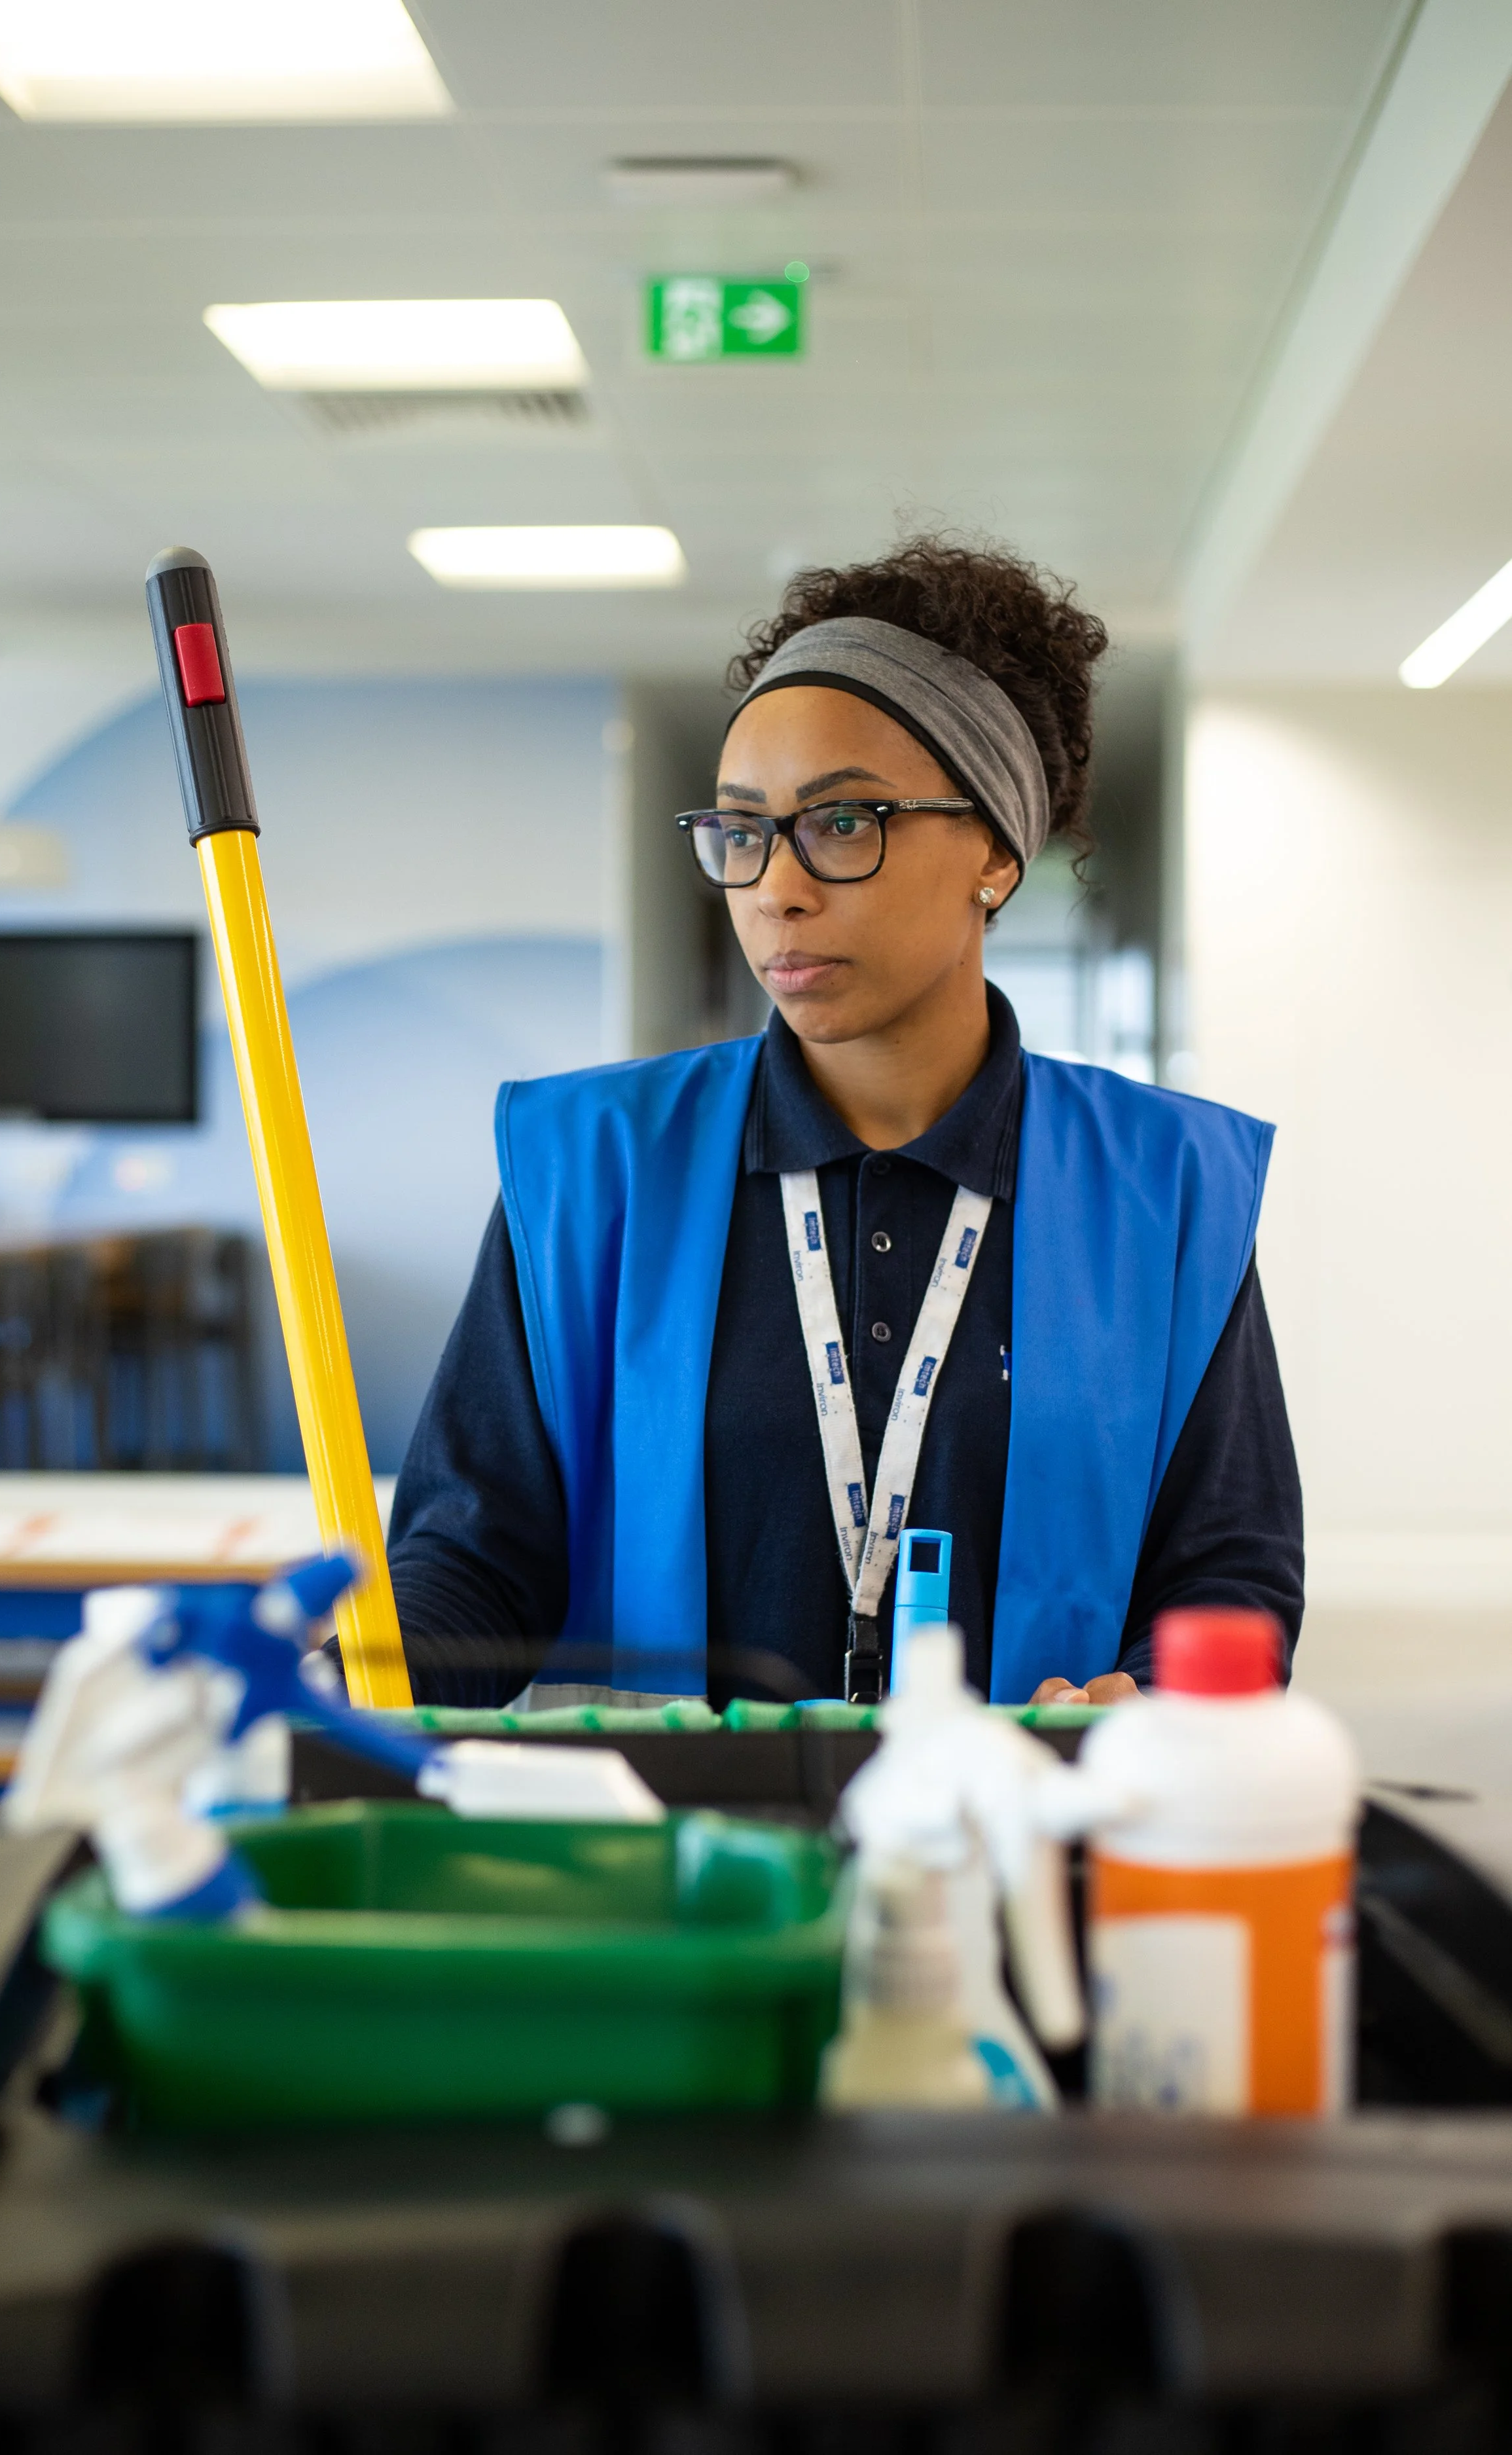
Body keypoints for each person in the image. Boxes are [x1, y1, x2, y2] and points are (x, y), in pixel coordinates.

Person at [384, 537, 1303, 1709]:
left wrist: (1153, 1696)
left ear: (995, 852)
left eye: (844, 821)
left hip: (1010, 1848)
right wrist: (358, 1669)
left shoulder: (1169, 1188)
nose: (776, 885)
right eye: (742, 832)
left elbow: (1232, 1575)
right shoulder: (591, 1171)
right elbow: (471, 1557)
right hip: (684, 1864)